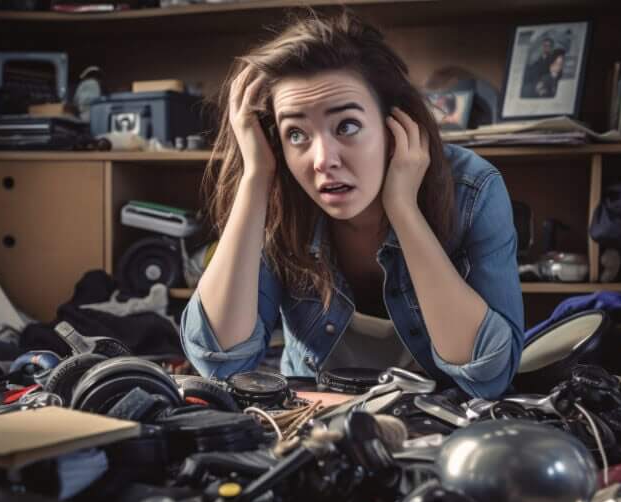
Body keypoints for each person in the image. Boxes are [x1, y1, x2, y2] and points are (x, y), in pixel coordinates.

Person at [180, 11, 523, 399]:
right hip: (312, 418)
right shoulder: (278, 193)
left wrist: (403, 209)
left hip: (437, 421)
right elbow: (219, 363)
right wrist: (256, 176)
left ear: (395, 124)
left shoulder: (472, 189)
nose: (322, 159)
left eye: (346, 126)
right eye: (296, 134)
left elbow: (489, 375)